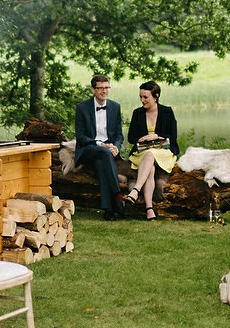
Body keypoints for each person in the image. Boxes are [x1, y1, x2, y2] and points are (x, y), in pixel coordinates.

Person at [126, 81, 179, 220]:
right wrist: (142, 138)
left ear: (156, 96)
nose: (142, 100)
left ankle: (136, 190)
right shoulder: (137, 113)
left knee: (150, 154)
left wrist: (156, 136)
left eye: (145, 97)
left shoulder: (167, 112)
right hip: (143, 151)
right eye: (140, 97)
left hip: (163, 151)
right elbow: (131, 138)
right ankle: (149, 209)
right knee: (150, 165)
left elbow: (173, 136)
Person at [74, 75, 125, 219]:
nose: (104, 91)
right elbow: (81, 137)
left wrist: (116, 147)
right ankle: (118, 195)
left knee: (102, 163)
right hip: (88, 148)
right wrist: (99, 144)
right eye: (101, 88)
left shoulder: (115, 107)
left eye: (107, 87)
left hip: (106, 151)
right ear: (93, 89)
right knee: (104, 152)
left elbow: (119, 135)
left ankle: (108, 209)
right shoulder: (82, 108)